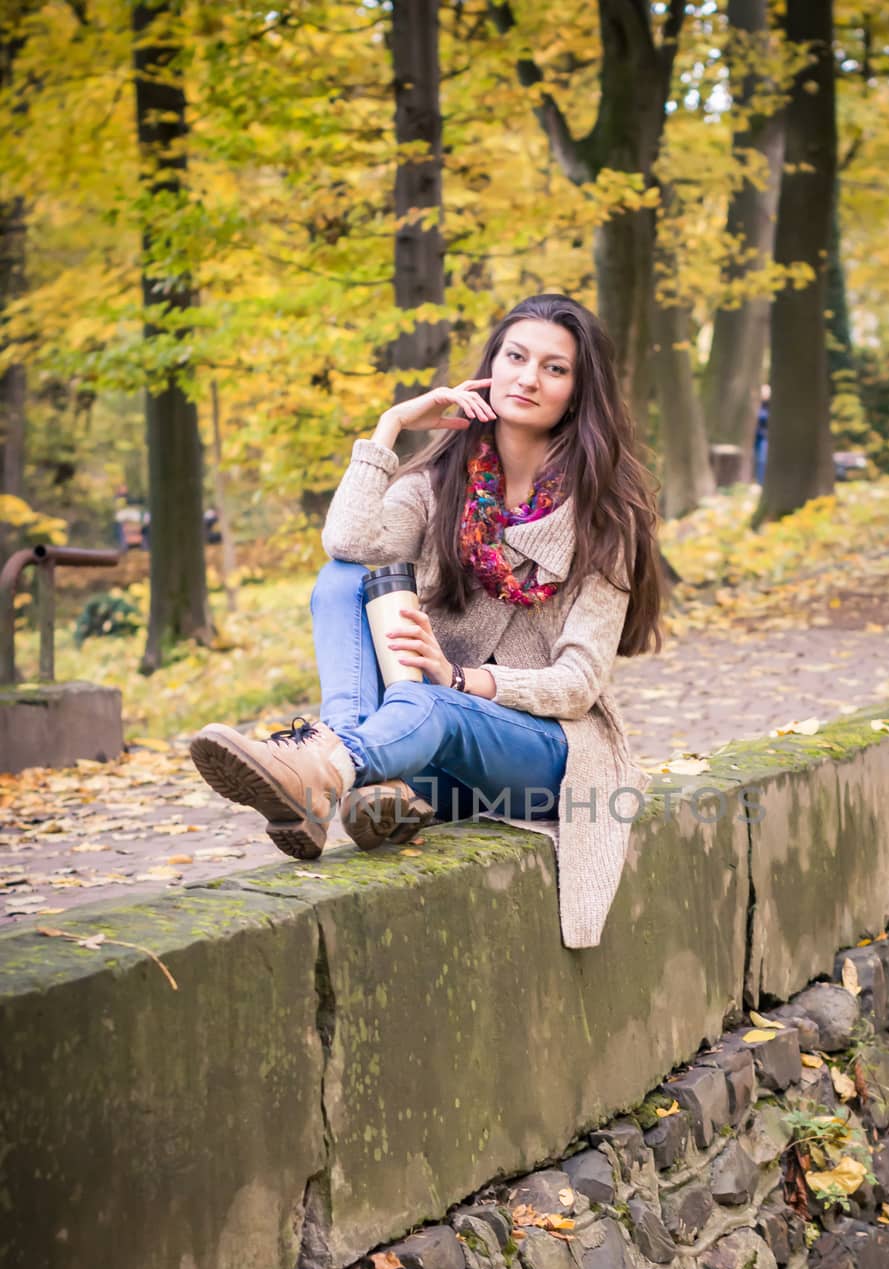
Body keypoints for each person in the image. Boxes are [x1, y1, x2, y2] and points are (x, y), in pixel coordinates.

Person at [189, 293, 666, 949]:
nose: (528, 377)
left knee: (430, 700)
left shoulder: (606, 520)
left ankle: (323, 771)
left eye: (555, 369)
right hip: (428, 733)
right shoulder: (439, 487)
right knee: (341, 582)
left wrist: (461, 678)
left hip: (550, 754)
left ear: (579, 394)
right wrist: (390, 428)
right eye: (516, 357)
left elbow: (580, 683)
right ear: (489, 369)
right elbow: (346, 549)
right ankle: (357, 779)